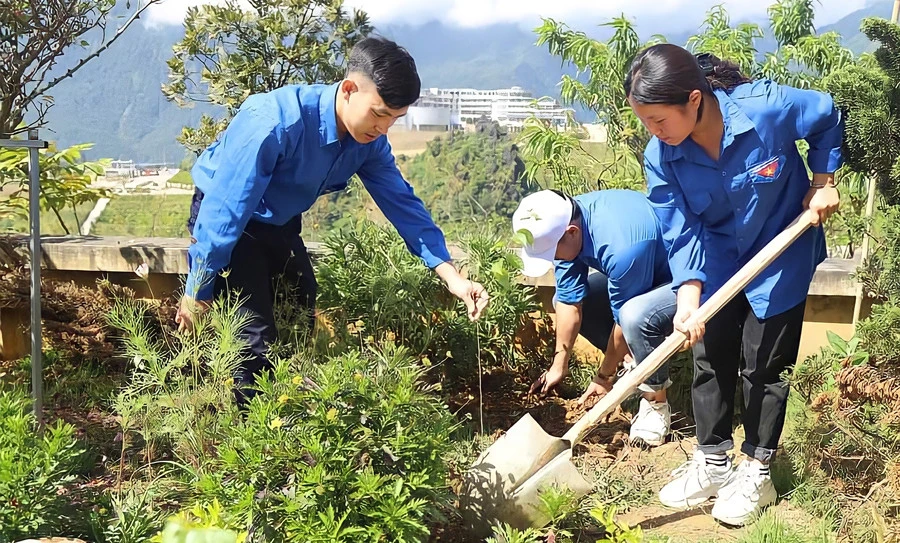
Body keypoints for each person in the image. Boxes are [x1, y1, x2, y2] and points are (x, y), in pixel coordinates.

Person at [176, 36, 490, 402]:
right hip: (230, 218)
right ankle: (245, 436)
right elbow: (225, 209)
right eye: (379, 113)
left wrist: (450, 275)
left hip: (280, 221)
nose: (384, 128)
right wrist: (198, 288)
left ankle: (285, 410)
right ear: (349, 89)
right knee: (254, 341)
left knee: (299, 305)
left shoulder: (368, 140)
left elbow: (402, 204)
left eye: (395, 118)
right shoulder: (275, 122)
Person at [625, 44, 843, 525]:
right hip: (718, 256)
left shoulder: (766, 109)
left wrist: (824, 178)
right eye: (647, 122)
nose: (654, 132)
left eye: (659, 120)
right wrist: (688, 294)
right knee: (710, 353)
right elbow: (678, 226)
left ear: (694, 100)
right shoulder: (661, 155)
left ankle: (757, 470)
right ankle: (714, 460)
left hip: (782, 247)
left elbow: (827, 113)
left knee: (764, 364)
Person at [515, 189, 677, 446]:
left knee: (634, 316)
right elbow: (569, 301)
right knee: (562, 300)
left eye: (551, 252)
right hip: (642, 270)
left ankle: (655, 402)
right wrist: (560, 364)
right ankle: (634, 360)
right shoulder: (567, 222)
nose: (553, 259)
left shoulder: (621, 245)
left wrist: (604, 378)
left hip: (683, 276)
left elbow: (624, 320)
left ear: (571, 232)